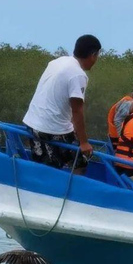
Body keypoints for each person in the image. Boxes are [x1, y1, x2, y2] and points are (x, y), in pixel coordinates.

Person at [23, 34, 101, 170]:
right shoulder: (78, 75)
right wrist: (84, 142)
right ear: (93, 55)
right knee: (81, 160)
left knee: (48, 164)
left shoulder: (58, 62)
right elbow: (77, 110)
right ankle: (73, 190)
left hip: (33, 123)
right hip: (51, 129)